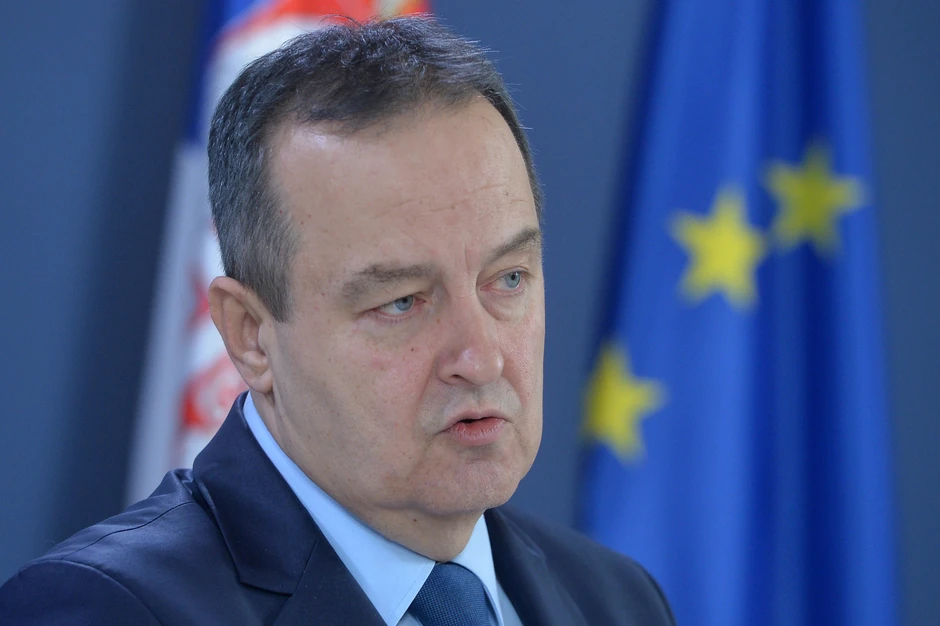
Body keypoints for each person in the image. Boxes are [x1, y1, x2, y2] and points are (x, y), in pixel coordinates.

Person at [0, 16, 674, 625]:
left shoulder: (617, 599)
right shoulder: (104, 610)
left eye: (508, 279)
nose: (483, 357)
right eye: (402, 301)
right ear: (250, 335)